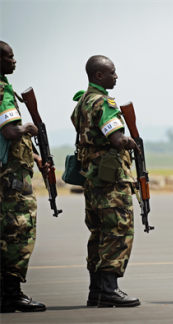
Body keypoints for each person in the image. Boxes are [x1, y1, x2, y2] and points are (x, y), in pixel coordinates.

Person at [70, 55, 140, 308]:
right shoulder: (104, 103)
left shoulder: (82, 103)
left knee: (98, 231)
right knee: (118, 230)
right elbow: (116, 138)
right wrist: (130, 142)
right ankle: (110, 289)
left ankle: (96, 289)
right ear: (99, 75)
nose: (116, 76)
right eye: (112, 72)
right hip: (111, 179)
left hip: (92, 177)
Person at [0, 41, 50, 312]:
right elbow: (9, 133)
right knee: (18, 230)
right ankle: (12, 293)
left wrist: (36, 156)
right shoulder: (3, 91)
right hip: (11, 179)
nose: (14, 61)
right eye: (9, 57)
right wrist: (27, 128)